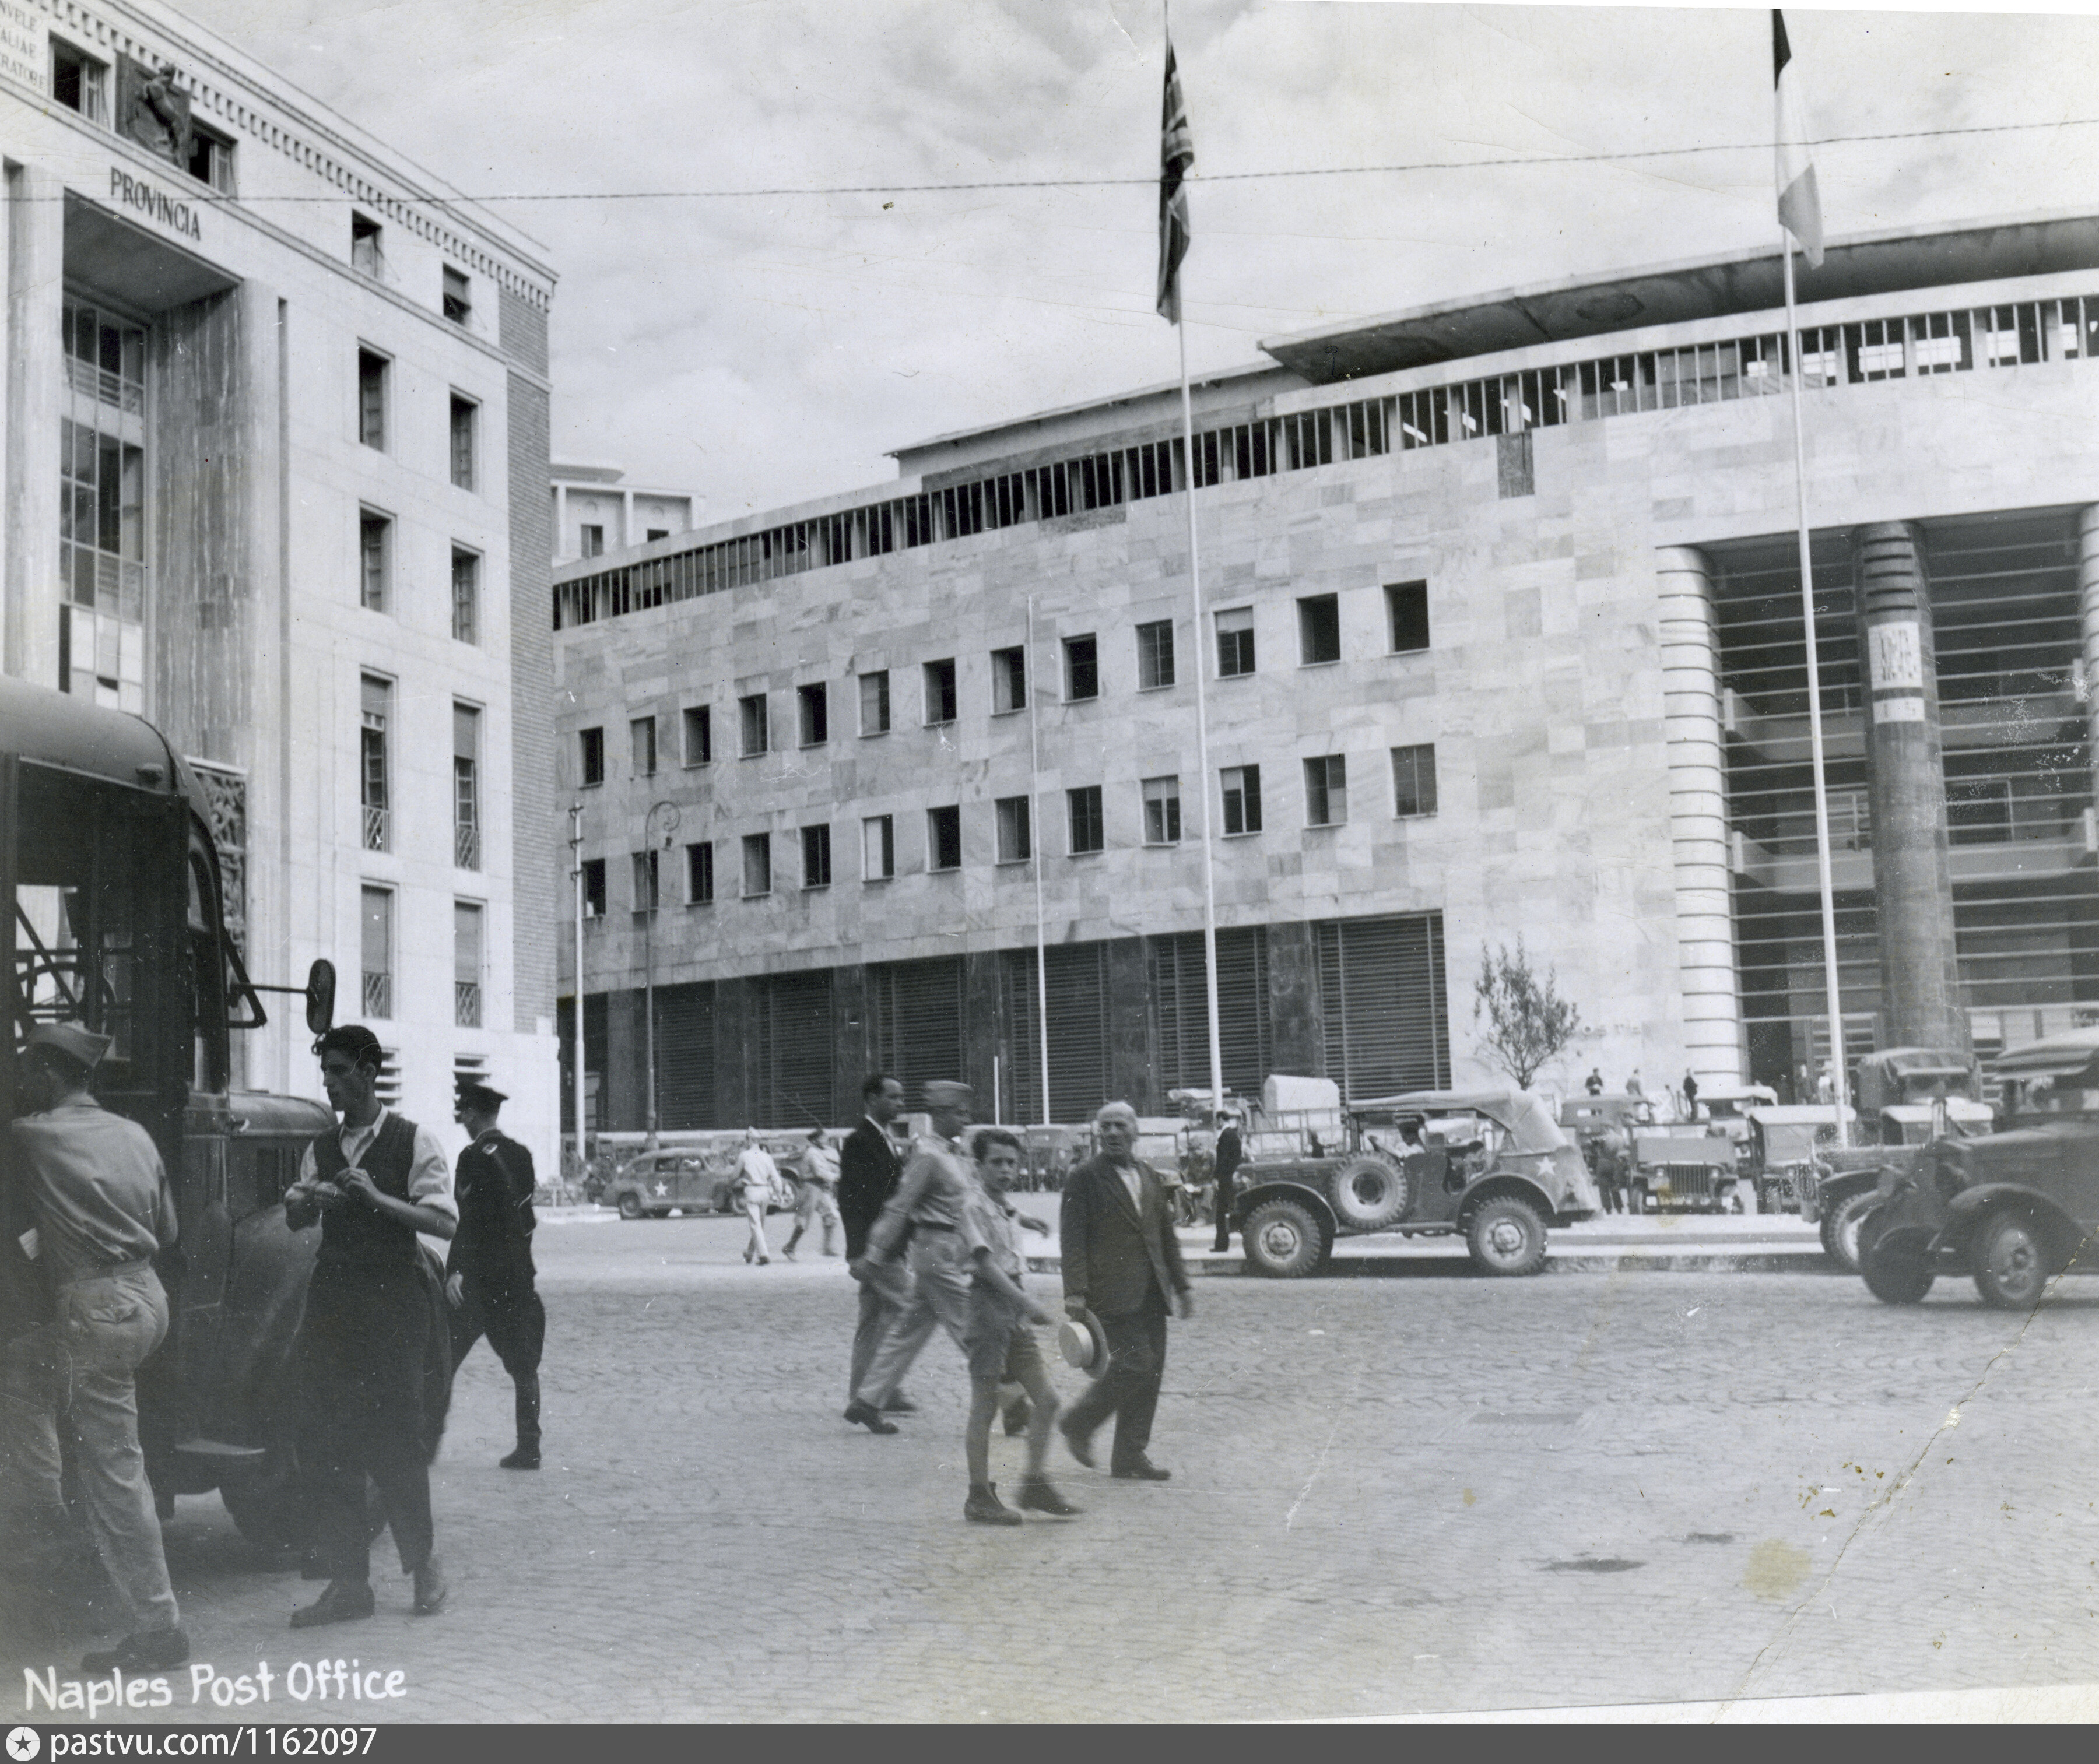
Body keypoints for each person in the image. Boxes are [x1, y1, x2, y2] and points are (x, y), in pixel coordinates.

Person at [0, 1022, 188, 1672]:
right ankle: (41, 1506)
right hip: (147, 1295)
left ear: (49, 1075)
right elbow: (168, 1228)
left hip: (96, 1307)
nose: (23, 1084)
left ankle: (159, 1629)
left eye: (29, 1072)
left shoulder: (31, 1135)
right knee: (27, 1373)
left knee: (115, 1474)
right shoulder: (134, 1133)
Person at [282, 1024, 455, 1628]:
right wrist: (302, 1206)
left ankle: (424, 1566)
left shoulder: (413, 1139)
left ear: (368, 1072)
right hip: (334, 1300)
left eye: (338, 1071)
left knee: (396, 1435)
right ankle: (349, 1582)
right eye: (325, 1073)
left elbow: (443, 1222)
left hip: (394, 1300)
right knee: (326, 1436)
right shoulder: (322, 1146)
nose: (329, 1083)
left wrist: (377, 1197)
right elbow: (298, 1222)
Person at [1057, 1101, 1193, 1482]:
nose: (1113, 1133)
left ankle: (1130, 1456)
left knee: (1151, 1374)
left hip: (1153, 1292)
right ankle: (1078, 1424)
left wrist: (1182, 1285)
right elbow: (1072, 1238)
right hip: (1110, 1292)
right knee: (1135, 1365)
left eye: (1120, 1126)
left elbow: (1165, 1236)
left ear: (1135, 1131)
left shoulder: (1149, 1176)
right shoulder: (1084, 1177)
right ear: (1098, 1134)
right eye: (1106, 1127)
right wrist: (1075, 1292)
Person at [844, 1080, 982, 1434]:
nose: (967, 1120)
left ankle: (867, 1401)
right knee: (972, 1326)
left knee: (908, 1328)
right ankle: (1014, 1398)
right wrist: (872, 1254)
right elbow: (897, 1206)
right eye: (960, 1113)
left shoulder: (954, 1154)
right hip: (934, 1252)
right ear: (940, 1114)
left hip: (943, 1250)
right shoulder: (929, 1155)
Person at [956, 1128, 1078, 1524]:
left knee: (1048, 1400)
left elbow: (1007, 1216)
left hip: (1013, 1310)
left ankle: (1034, 1483)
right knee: (985, 1404)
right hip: (988, 1307)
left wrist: (1029, 1220)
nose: (1006, 1170)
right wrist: (1026, 1303)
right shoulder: (971, 1205)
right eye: (996, 1162)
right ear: (978, 1167)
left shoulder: (1000, 1203)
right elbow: (986, 1264)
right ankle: (979, 1496)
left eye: (1012, 1163)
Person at [446, 1081, 545, 1470]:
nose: (462, 1119)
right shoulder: (522, 1155)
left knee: (444, 1356)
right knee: (524, 1366)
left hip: (479, 1282)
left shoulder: (471, 1157)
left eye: (464, 1112)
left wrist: (456, 1270)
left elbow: (470, 1220)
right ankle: (529, 1447)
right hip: (517, 1278)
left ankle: (424, 1436)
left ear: (472, 1113)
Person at [837, 1074, 917, 1420]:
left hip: (882, 1249)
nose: (901, 1103)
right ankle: (882, 1389)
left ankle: (865, 1392)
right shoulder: (860, 1142)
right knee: (911, 1308)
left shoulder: (883, 1139)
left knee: (872, 1321)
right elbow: (853, 1201)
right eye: (893, 1097)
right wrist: (859, 1252)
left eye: (902, 1097)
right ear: (871, 1099)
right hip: (878, 1251)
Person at [784, 1126, 841, 1261]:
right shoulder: (812, 1152)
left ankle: (828, 1248)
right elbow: (819, 1172)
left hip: (821, 1188)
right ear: (815, 1140)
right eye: (822, 1138)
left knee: (831, 1215)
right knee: (804, 1220)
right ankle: (790, 1247)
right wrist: (836, 1177)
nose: (825, 1140)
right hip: (810, 1187)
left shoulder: (823, 1152)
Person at [735, 1129, 778, 1265]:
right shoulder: (767, 1157)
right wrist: (778, 1192)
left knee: (755, 1225)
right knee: (759, 1225)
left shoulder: (744, 1156)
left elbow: (735, 1175)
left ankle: (764, 1255)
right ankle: (749, 1253)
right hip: (765, 1191)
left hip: (752, 1191)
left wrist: (730, 1183)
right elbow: (775, 1177)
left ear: (748, 1140)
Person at [1209, 1110, 1244, 1254]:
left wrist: (1216, 1178)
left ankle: (1221, 1246)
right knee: (1225, 1212)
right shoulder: (1233, 1134)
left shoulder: (1226, 1135)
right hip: (1230, 1178)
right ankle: (1222, 1245)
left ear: (1221, 1120)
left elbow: (1222, 1160)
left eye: (1216, 1120)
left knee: (1221, 1214)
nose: (1215, 1123)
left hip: (1225, 1180)